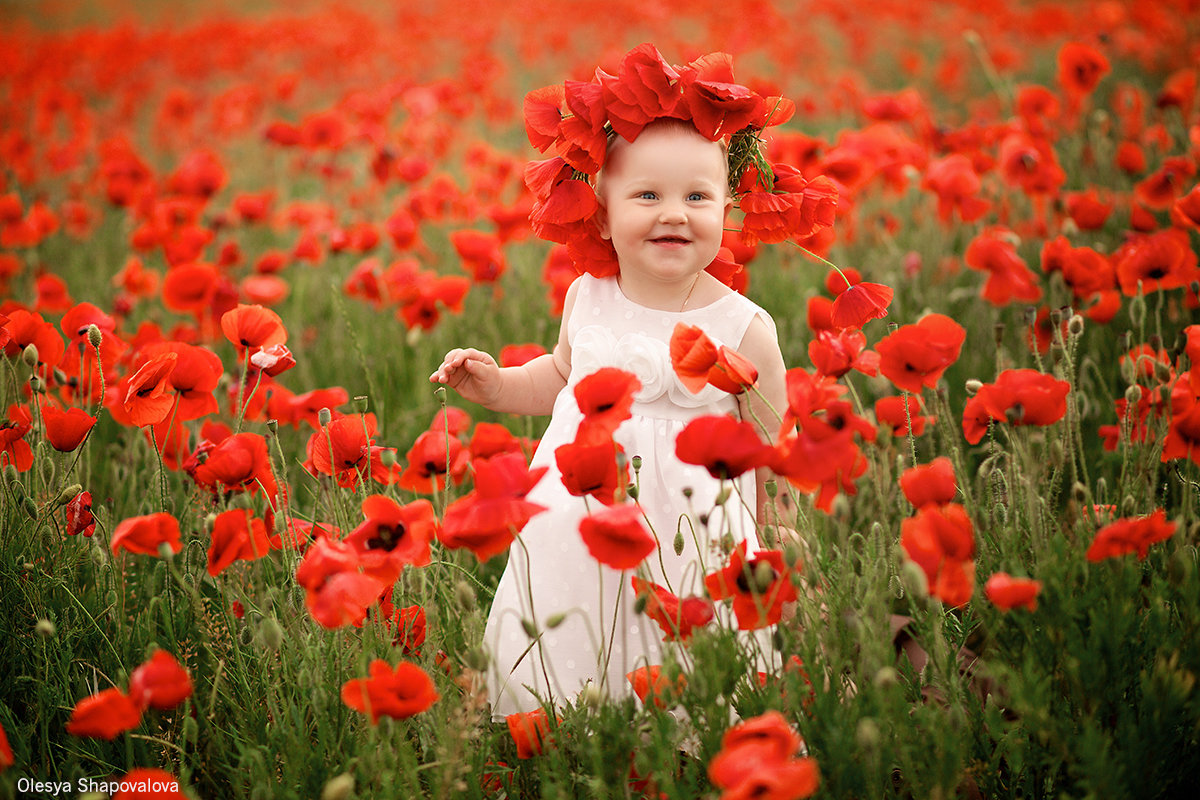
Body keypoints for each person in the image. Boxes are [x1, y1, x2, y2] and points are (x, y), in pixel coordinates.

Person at [430, 57, 790, 719]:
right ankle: (563, 727)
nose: (674, 214)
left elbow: (774, 451)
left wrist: (778, 545)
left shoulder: (745, 327)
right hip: (580, 526)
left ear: (728, 206)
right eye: (647, 196)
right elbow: (563, 378)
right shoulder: (588, 297)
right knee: (574, 638)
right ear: (600, 214)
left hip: (694, 540)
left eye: (697, 197)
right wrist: (498, 385)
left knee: (687, 665)